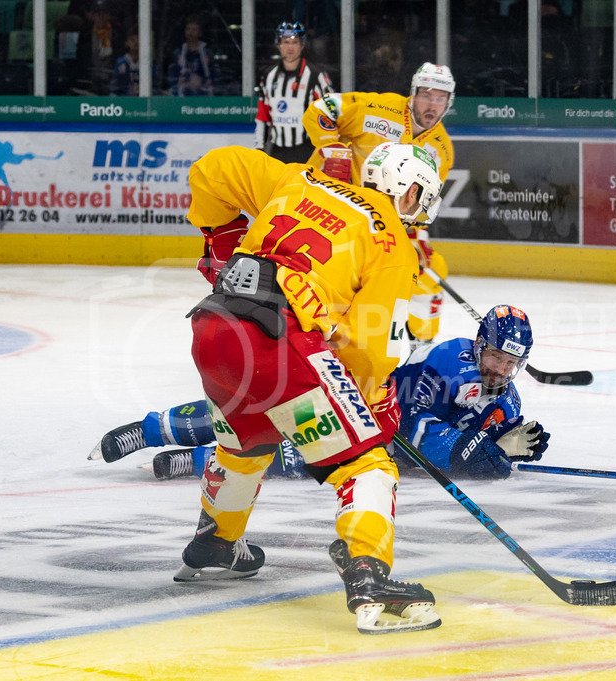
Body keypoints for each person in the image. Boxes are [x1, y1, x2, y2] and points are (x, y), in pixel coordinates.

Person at [170, 141, 444, 635]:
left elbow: (213, 168)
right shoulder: (391, 242)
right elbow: (367, 347)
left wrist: (224, 238)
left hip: (214, 329)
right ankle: (369, 577)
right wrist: (368, 404)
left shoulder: (298, 179)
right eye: (422, 201)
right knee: (364, 462)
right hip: (278, 343)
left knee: (244, 443)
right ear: (410, 193)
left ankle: (216, 541)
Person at [91, 306, 551, 481]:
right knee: (259, 415)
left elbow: (495, 438)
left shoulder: (506, 395)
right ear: (479, 344)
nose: (502, 369)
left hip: (378, 445)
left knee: (289, 457)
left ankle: (188, 463)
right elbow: (420, 428)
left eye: (513, 363)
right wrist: (485, 452)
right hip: (358, 401)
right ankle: (149, 429)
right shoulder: (446, 359)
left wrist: (514, 443)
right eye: (496, 357)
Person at [303, 62, 456, 352]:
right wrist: (331, 148)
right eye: (426, 94)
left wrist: (417, 241)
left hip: (375, 226)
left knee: (430, 271)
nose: (431, 104)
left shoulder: (442, 150)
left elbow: (419, 206)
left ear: (449, 101)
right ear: (413, 93)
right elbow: (323, 108)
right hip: (330, 208)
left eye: (440, 97)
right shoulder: (378, 108)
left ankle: (421, 350)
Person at [254, 21, 333, 163]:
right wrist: (259, 148)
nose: (290, 47)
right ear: (278, 45)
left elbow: (331, 113)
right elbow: (263, 116)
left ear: (302, 45)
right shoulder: (268, 76)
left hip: (306, 151)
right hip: (277, 152)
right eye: (285, 42)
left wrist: (328, 149)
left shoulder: (315, 76)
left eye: (294, 42)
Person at [167, 16, 221, 96]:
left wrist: (202, 83)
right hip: (182, 97)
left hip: (203, 97)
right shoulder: (178, 53)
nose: (190, 32)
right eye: (188, 29)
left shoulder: (207, 53)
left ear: (200, 33)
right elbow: (172, 77)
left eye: (194, 29)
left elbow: (215, 76)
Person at [109, 26, 144, 96]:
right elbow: (115, 87)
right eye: (132, 40)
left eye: (139, 40)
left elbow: (154, 86)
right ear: (127, 43)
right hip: (125, 102)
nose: (136, 43)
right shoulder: (121, 63)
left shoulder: (148, 63)